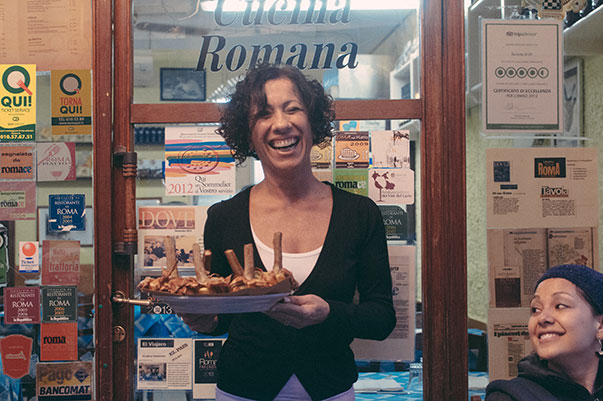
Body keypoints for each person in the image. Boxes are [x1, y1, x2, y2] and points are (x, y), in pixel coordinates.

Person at [181, 63, 396, 400]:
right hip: (242, 391)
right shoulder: (224, 217)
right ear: (248, 133)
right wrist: (205, 321)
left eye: (293, 108)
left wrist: (329, 312)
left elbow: (382, 318)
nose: (281, 124)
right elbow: (222, 317)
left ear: (312, 121)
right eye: (263, 114)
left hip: (331, 390)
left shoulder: (359, 214)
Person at [486, 264, 603, 401]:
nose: (543, 318)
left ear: (600, 326)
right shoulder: (509, 397)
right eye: (536, 309)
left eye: (560, 306)